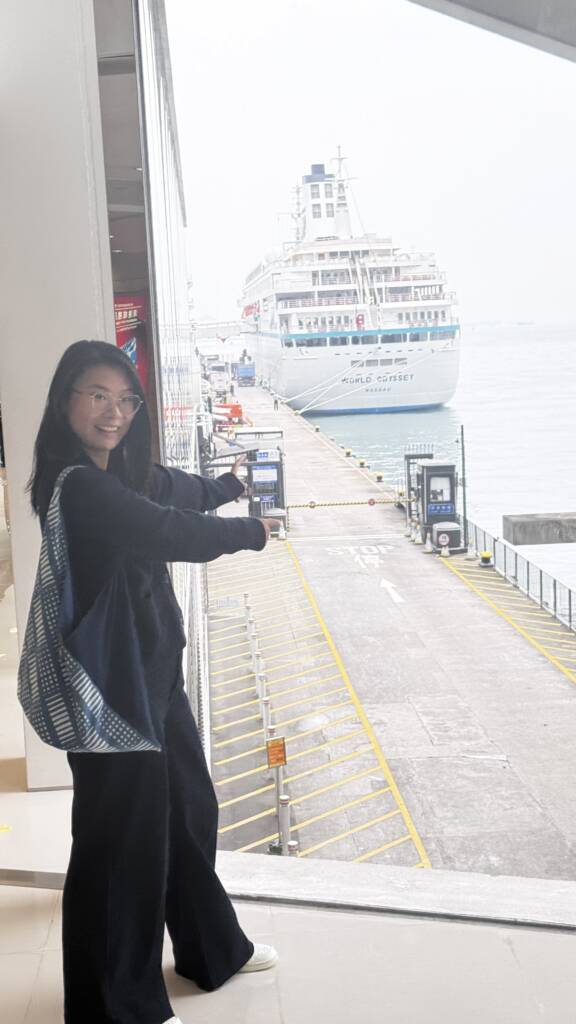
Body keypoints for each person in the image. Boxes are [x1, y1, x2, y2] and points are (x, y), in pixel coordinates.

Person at [28, 340, 279, 1024]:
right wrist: (252, 531)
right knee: (120, 847)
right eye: (97, 396)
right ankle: (114, 1007)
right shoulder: (80, 486)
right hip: (111, 695)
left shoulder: (116, 472)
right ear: (65, 401)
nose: (114, 412)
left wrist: (227, 485)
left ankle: (211, 947)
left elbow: (172, 488)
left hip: (154, 678)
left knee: (188, 814)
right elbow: (170, 530)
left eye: (126, 400)